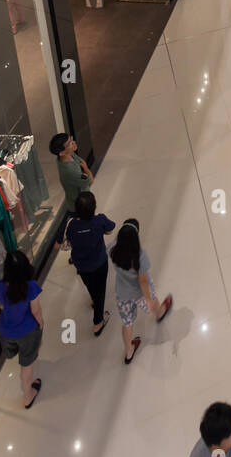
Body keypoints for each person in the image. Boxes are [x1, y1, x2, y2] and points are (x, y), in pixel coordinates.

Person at [110, 218, 173, 363]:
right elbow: (143, 282)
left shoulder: (113, 248)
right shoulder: (140, 256)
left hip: (122, 295)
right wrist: (149, 300)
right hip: (140, 294)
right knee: (153, 301)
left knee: (127, 323)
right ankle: (160, 313)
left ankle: (129, 352)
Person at [0, 250, 44, 408]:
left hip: (6, 332)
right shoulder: (31, 287)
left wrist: (2, 313)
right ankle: (28, 395)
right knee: (26, 364)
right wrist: (41, 323)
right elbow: (36, 311)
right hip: (27, 331)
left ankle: (27, 385)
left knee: (16, 353)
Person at [63, 191, 115, 336]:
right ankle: (98, 322)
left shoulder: (71, 225)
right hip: (98, 263)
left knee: (89, 284)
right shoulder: (99, 221)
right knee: (100, 291)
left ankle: (93, 299)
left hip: (80, 264)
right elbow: (111, 228)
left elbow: (66, 240)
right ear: (94, 207)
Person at [49, 132, 93, 234]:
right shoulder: (70, 170)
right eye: (70, 143)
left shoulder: (69, 155)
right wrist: (85, 168)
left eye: (71, 140)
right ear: (62, 153)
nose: (74, 143)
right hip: (80, 207)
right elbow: (90, 180)